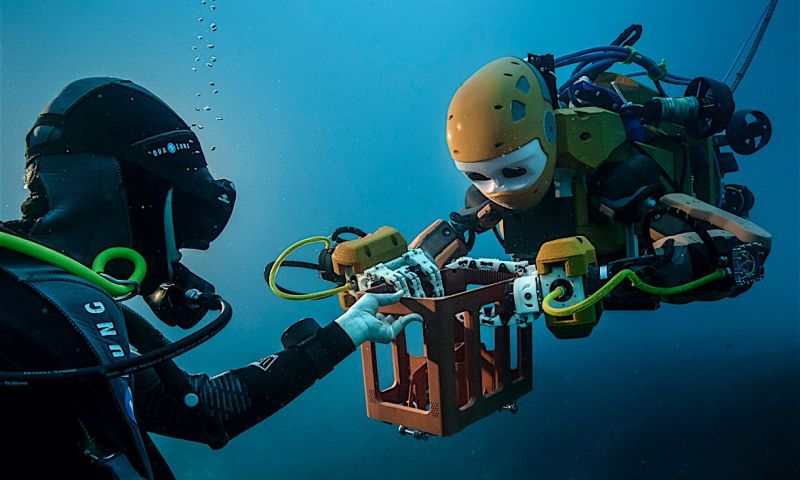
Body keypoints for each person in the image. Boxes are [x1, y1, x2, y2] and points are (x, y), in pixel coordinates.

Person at [0, 77, 420, 479]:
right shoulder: (56, 313)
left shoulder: (55, 301)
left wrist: (349, 329)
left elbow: (195, 410)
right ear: (128, 197)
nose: (182, 250)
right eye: (182, 217)